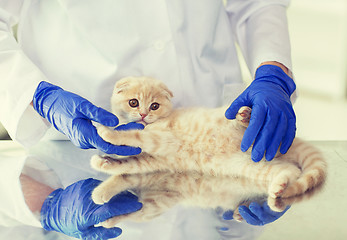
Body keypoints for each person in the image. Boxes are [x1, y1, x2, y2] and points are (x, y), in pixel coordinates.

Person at [0, 0, 295, 239]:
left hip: (209, 136)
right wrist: (35, 95)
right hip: (75, 143)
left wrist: (273, 71)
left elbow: (257, 3)